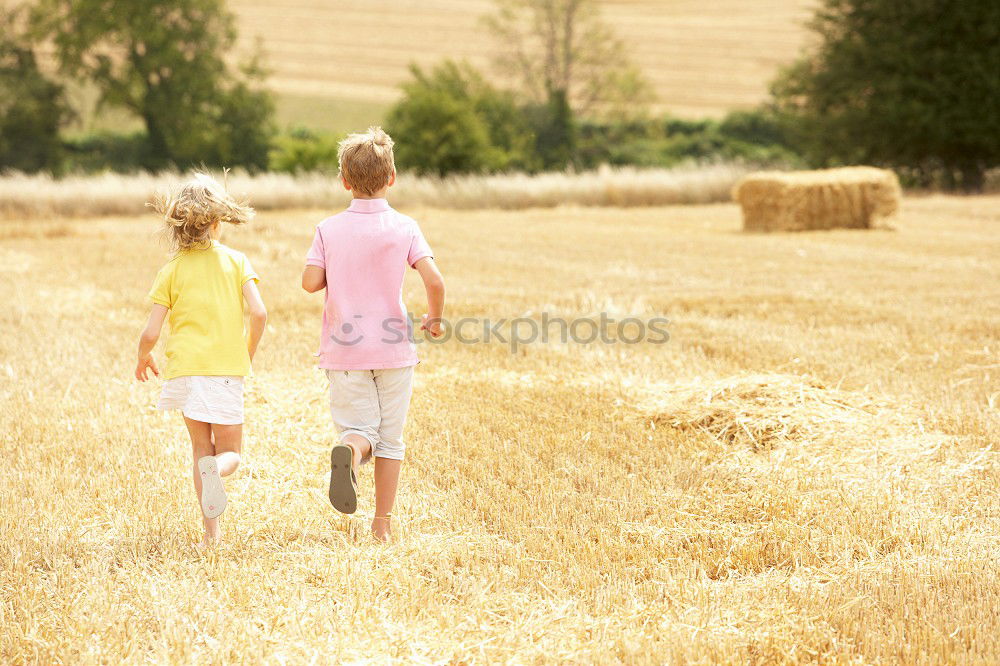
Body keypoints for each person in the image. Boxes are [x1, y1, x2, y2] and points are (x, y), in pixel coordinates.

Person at [302, 127, 445, 543]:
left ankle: (350, 449)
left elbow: (310, 283)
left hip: (345, 351)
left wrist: (334, 268)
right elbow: (435, 281)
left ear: (344, 180)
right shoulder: (406, 226)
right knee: (391, 439)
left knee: (360, 430)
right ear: (393, 176)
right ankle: (382, 525)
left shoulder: (329, 228)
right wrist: (434, 320)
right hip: (395, 348)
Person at [135, 173, 267, 547]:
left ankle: (211, 536)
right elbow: (259, 314)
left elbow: (150, 332)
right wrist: (248, 352)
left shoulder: (171, 270)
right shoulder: (237, 261)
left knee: (200, 449)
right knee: (230, 454)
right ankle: (217, 472)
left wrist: (143, 357)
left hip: (185, 372)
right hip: (225, 370)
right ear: (216, 221)